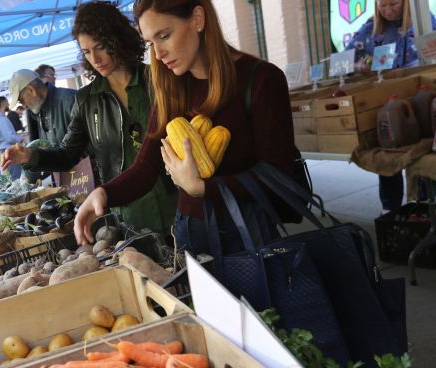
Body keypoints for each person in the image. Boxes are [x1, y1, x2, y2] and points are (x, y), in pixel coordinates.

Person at [74, 0, 302, 255]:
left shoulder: (261, 79)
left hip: (249, 234)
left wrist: (202, 188)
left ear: (197, 19)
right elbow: (146, 167)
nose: (158, 54)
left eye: (164, 36)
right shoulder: (171, 87)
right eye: (151, 43)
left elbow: (278, 175)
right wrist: (103, 194)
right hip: (190, 232)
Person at [2, 1, 177, 236]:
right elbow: (67, 154)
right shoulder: (87, 100)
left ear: (119, 38)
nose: (95, 58)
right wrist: (31, 156)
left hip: (176, 204)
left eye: (100, 46)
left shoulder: (157, 80)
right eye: (86, 51)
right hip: (127, 216)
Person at [346, 0, 436, 213]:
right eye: (382, 5)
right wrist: (360, 66)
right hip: (387, 103)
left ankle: (426, 206)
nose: (388, 10)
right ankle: (391, 211)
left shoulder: (422, 20)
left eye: (394, 4)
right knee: (388, 156)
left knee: (421, 154)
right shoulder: (371, 27)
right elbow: (346, 58)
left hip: (419, 102)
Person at [0, 97, 24, 180]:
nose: (8, 105)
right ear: (4, 103)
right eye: (7, 103)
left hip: (6, 150)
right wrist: (20, 138)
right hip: (9, 150)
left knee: (15, 176)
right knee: (16, 177)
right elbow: (9, 137)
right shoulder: (1, 119)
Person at [26, 64, 57, 141]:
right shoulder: (31, 106)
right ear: (39, 79)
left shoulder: (60, 98)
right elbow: (34, 137)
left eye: (54, 75)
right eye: (51, 75)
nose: (54, 78)